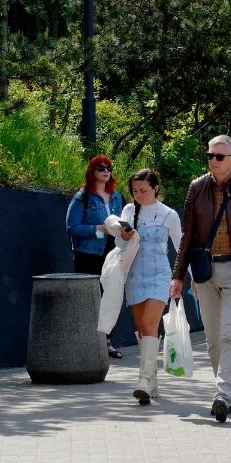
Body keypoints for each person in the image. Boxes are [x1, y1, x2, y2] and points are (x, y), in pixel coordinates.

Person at [170, 136, 231, 422]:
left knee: (228, 332)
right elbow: (187, 235)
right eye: (210, 155)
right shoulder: (197, 187)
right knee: (212, 338)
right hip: (205, 272)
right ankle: (228, 395)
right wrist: (179, 276)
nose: (214, 160)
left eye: (220, 156)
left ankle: (223, 394)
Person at [118, 169, 182, 405]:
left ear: (155, 188)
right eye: (135, 191)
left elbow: (180, 246)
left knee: (149, 323)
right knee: (142, 330)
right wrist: (123, 236)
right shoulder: (128, 210)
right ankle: (151, 385)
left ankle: (144, 379)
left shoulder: (169, 214)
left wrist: (187, 278)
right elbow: (118, 241)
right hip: (134, 274)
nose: (139, 195)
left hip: (159, 275)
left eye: (143, 190)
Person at [65, 154, 126, 359]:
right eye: (101, 168)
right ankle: (88, 342)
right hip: (89, 253)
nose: (106, 171)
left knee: (111, 294)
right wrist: (99, 229)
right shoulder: (82, 197)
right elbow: (72, 228)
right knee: (90, 297)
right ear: (92, 171)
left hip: (113, 251)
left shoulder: (117, 196)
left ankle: (107, 341)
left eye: (109, 167)